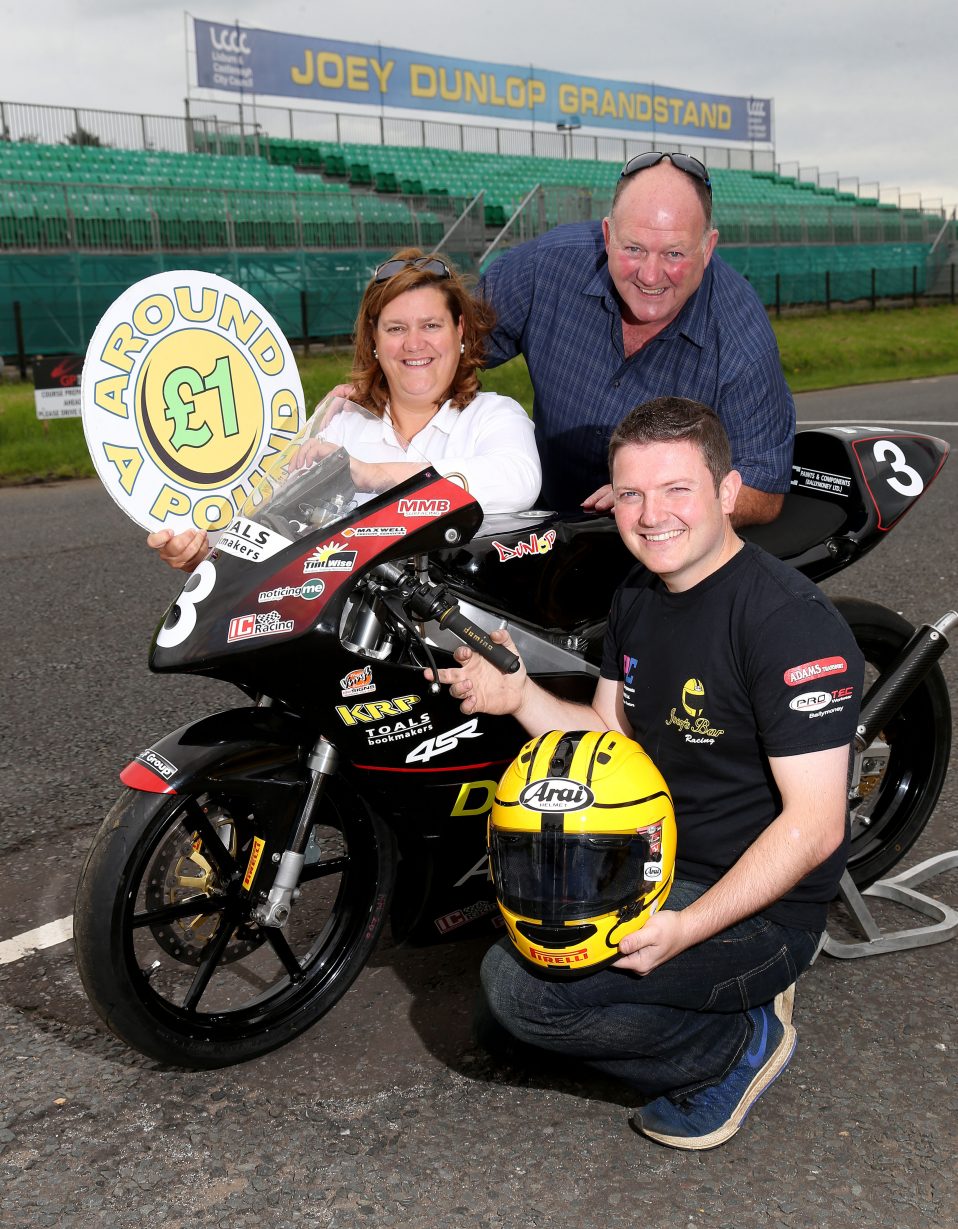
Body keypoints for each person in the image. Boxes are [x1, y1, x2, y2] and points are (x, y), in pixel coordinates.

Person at [432, 397, 863, 1150]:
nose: (650, 513)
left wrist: (687, 928)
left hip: (760, 907)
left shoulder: (789, 622)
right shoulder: (638, 593)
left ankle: (734, 1049)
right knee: (499, 1013)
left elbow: (815, 823)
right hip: (644, 863)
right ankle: (693, 1011)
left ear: (727, 493)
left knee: (522, 998)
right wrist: (518, 694)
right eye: (630, 492)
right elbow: (607, 736)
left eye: (676, 489)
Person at [149, 251, 541, 570]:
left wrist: (370, 475)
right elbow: (270, 529)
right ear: (374, 339)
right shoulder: (341, 427)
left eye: (431, 325)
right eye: (396, 328)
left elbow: (517, 483)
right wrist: (203, 553)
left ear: (459, 331)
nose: (414, 344)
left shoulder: (494, 415)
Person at [479, 152, 795, 524]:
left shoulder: (743, 341)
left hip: (660, 549)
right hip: (538, 522)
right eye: (634, 249)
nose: (649, 275)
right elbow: (443, 350)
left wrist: (652, 497)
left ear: (707, 249)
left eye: (674, 253)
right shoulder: (546, 266)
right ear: (609, 235)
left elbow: (763, 492)